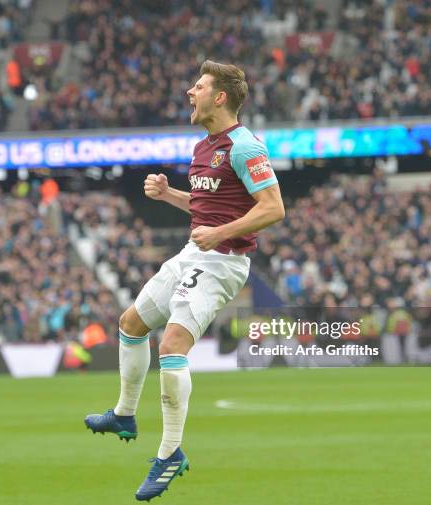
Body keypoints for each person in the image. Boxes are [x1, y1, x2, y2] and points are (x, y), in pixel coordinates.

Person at [85, 60, 285, 501]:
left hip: (224, 260)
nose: (188, 93)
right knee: (131, 322)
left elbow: (273, 208)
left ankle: (169, 453)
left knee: (172, 344)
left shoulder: (245, 147)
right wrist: (169, 194)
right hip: (196, 251)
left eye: (198, 86)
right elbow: (206, 210)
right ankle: (124, 414)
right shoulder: (202, 147)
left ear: (220, 97)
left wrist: (219, 234)